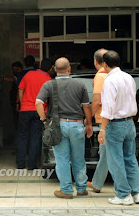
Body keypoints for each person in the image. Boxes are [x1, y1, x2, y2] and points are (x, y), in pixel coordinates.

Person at [36, 57, 93, 199]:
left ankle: (66, 191)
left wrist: (44, 120)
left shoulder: (49, 84)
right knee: (79, 159)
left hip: (58, 126)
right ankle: (81, 188)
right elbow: (86, 106)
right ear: (69, 69)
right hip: (77, 124)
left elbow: (38, 103)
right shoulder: (79, 84)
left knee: (62, 159)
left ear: (55, 70)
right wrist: (89, 124)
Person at [98, 50, 139, 205]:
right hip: (130, 123)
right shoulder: (129, 77)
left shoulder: (110, 81)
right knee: (130, 159)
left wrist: (102, 129)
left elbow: (108, 108)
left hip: (115, 124)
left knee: (116, 161)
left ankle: (123, 195)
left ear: (104, 64)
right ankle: (136, 193)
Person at [16, 56, 51, 170]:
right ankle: (31, 165)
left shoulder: (29, 74)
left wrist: (22, 103)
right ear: (50, 69)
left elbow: (20, 89)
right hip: (39, 111)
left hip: (25, 110)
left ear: (40, 66)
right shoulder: (48, 80)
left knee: (22, 137)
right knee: (35, 138)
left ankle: (20, 164)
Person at [87, 49, 108, 193]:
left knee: (105, 153)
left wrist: (88, 118)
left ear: (96, 61)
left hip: (104, 120)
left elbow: (97, 100)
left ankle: (97, 183)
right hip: (122, 120)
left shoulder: (100, 77)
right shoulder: (119, 76)